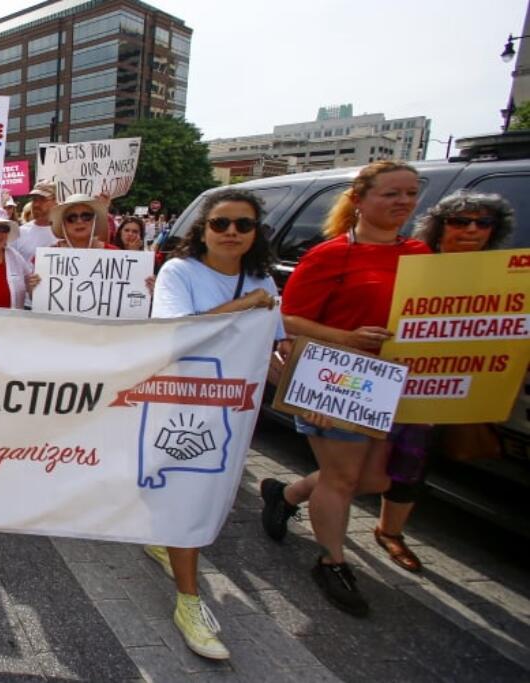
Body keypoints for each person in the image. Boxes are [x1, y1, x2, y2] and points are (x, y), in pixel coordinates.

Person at [261, 161, 431, 617]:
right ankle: (332, 561)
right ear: (359, 199)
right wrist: (349, 339)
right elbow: (287, 319)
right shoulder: (329, 256)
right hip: (336, 381)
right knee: (341, 479)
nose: (403, 202)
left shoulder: (420, 255)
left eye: (410, 194)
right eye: (390, 193)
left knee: (374, 479)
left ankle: (289, 494)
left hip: (395, 387)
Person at [146, 189, 284, 660]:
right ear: (201, 230)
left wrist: (306, 390)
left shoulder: (260, 278)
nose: (231, 233)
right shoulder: (179, 271)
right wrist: (246, 306)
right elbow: (177, 329)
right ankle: (189, 603)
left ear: (255, 233)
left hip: (233, 409)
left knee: (193, 492)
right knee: (191, 495)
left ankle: (161, 535)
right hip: (181, 400)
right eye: (220, 223)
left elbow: (278, 340)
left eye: (243, 225)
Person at [373, 191, 513, 573]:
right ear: (440, 226)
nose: (471, 230)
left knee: (413, 460)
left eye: (482, 223)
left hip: (446, 386)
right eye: (460, 221)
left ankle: (391, 531)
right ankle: (290, 494)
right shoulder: (410, 261)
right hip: (385, 378)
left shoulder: (507, 275)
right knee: (360, 466)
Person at [51, 193, 118, 250]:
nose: (79, 221)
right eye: (72, 217)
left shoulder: (114, 253)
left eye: (86, 216)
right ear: (63, 224)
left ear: (94, 221)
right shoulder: (47, 255)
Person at [12, 182, 56, 261]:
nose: (36, 205)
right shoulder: (19, 233)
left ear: (54, 201)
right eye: (34, 200)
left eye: (42, 200)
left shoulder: (66, 232)